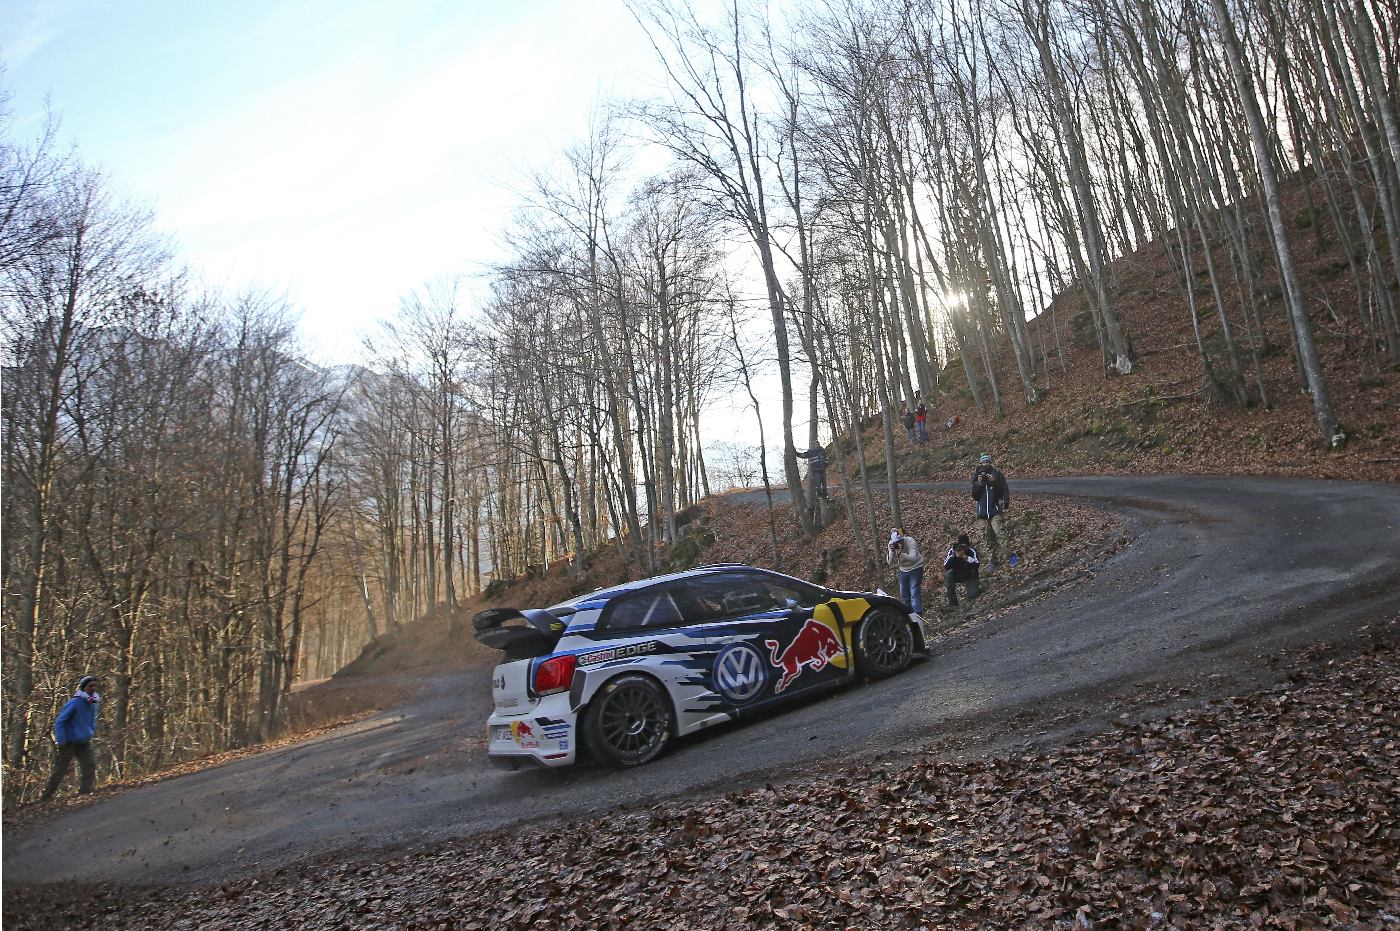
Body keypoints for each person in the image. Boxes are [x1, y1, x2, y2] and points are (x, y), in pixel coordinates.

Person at [40, 675, 102, 802]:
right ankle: (45, 798)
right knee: (60, 771)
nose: (93, 688)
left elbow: (92, 720)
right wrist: (61, 740)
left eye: (95, 685)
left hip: (84, 742)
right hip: (69, 742)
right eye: (90, 685)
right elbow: (60, 721)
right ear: (84, 687)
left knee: (90, 766)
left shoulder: (93, 703)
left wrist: (90, 731)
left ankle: (84, 794)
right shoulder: (74, 703)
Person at [971, 453, 1011, 566]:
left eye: (988, 462)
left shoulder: (996, 474)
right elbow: (974, 496)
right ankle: (993, 561)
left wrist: (994, 481)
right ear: (980, 463)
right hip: (982, 513)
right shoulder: (976, 476)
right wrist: (979, 483)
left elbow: (1003, 488)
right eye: (984, 462)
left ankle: (1010, 556)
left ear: (990, 462)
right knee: (987, 538)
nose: (986, 464)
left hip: (995, 510)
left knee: (1000, 533)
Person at [886, 528, 926, 615]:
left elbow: (913, 558)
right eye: (897, 542)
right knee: (904, 594)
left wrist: (901, 554)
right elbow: (889, 562)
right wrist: (892, 552)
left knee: (914, 591)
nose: (899, 544)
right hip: (903, 570)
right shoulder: (891, 544)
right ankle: (909, 614)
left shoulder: (910, 541)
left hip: (916, 567)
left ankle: (918, 613)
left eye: (900, 541)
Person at [942, 534, 981, 607]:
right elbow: (946, 566)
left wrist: (966, 557)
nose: (962, 548)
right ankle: (953, 602)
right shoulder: (953, 551)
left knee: (973, 595)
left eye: (964, 546)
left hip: (970, 574)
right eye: (961, 546)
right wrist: (954, 556)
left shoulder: (972, 551)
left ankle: (974, 589)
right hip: (958, 574)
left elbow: (977, 564)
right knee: (948, 575)